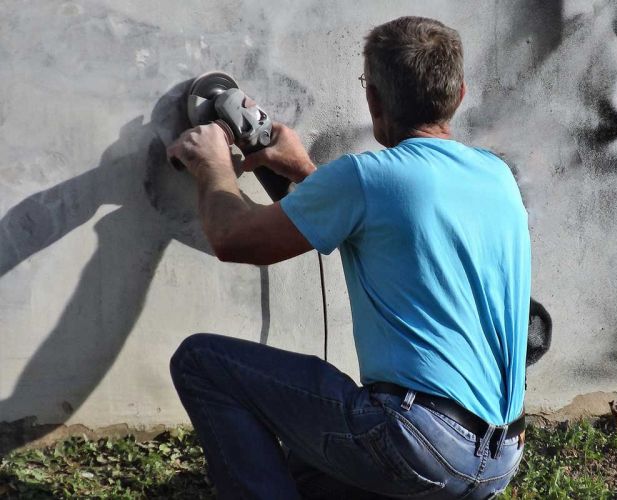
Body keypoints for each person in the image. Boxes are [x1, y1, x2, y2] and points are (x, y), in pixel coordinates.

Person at [166, 16, 531, 499]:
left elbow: (234, 239)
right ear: (459, 94)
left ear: (374, 98)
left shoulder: (367, 178)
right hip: (498, 458)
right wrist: (304, 171)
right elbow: (392, 221)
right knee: (303, 469)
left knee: (201, 361)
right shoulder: (496, 175)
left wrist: (212, 163)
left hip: (420, 444)